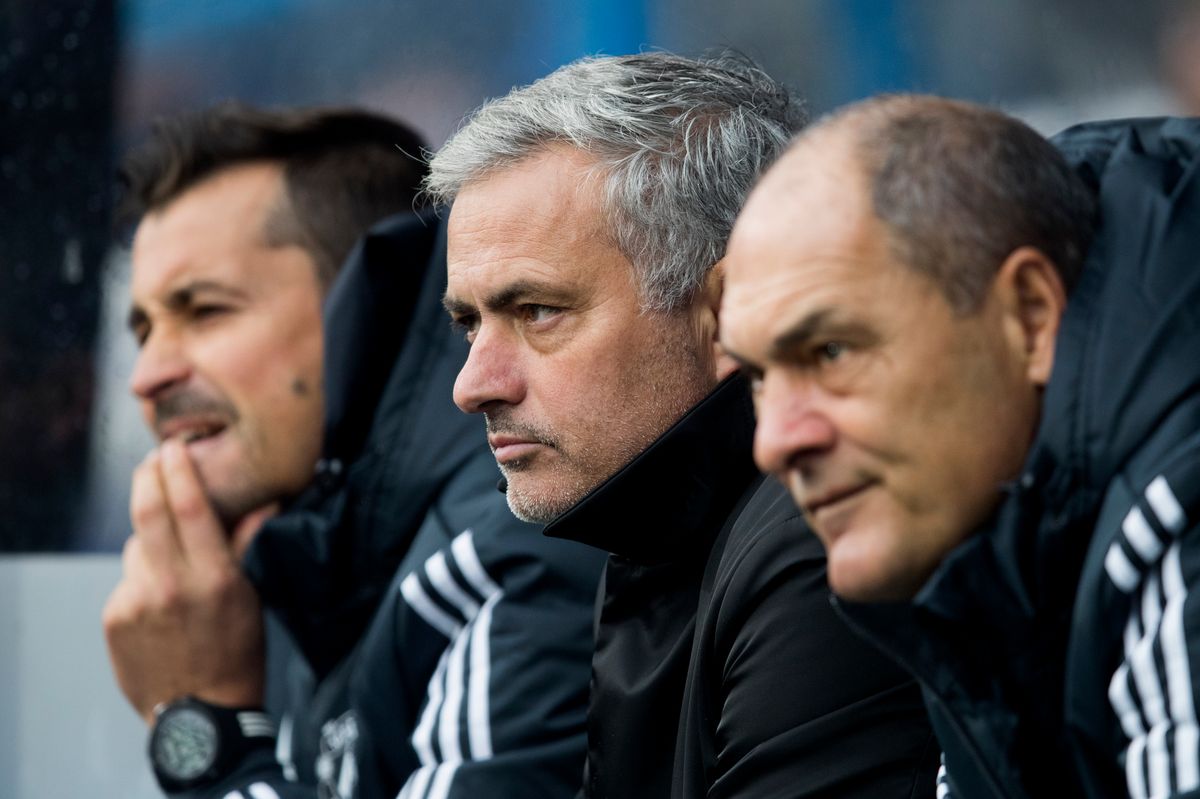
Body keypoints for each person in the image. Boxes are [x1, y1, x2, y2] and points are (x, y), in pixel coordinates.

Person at [426, 52, 939, 799]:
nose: (473, 386)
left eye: (537, 311)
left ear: (731, 312)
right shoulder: (659, 526)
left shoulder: (822, 541)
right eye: (468, 323)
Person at [102, 102, 604, 799]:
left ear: (353, 312)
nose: (147, 376)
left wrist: (205, 718)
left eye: (205, 310)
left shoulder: (508, 547)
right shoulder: (313, 557)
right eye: (144, 329)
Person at [722, 94, 1200, 797]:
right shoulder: (975, 539)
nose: (774, 443)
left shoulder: (1181, 501)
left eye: (829, 351)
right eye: (761, 377)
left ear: (1030, 317)